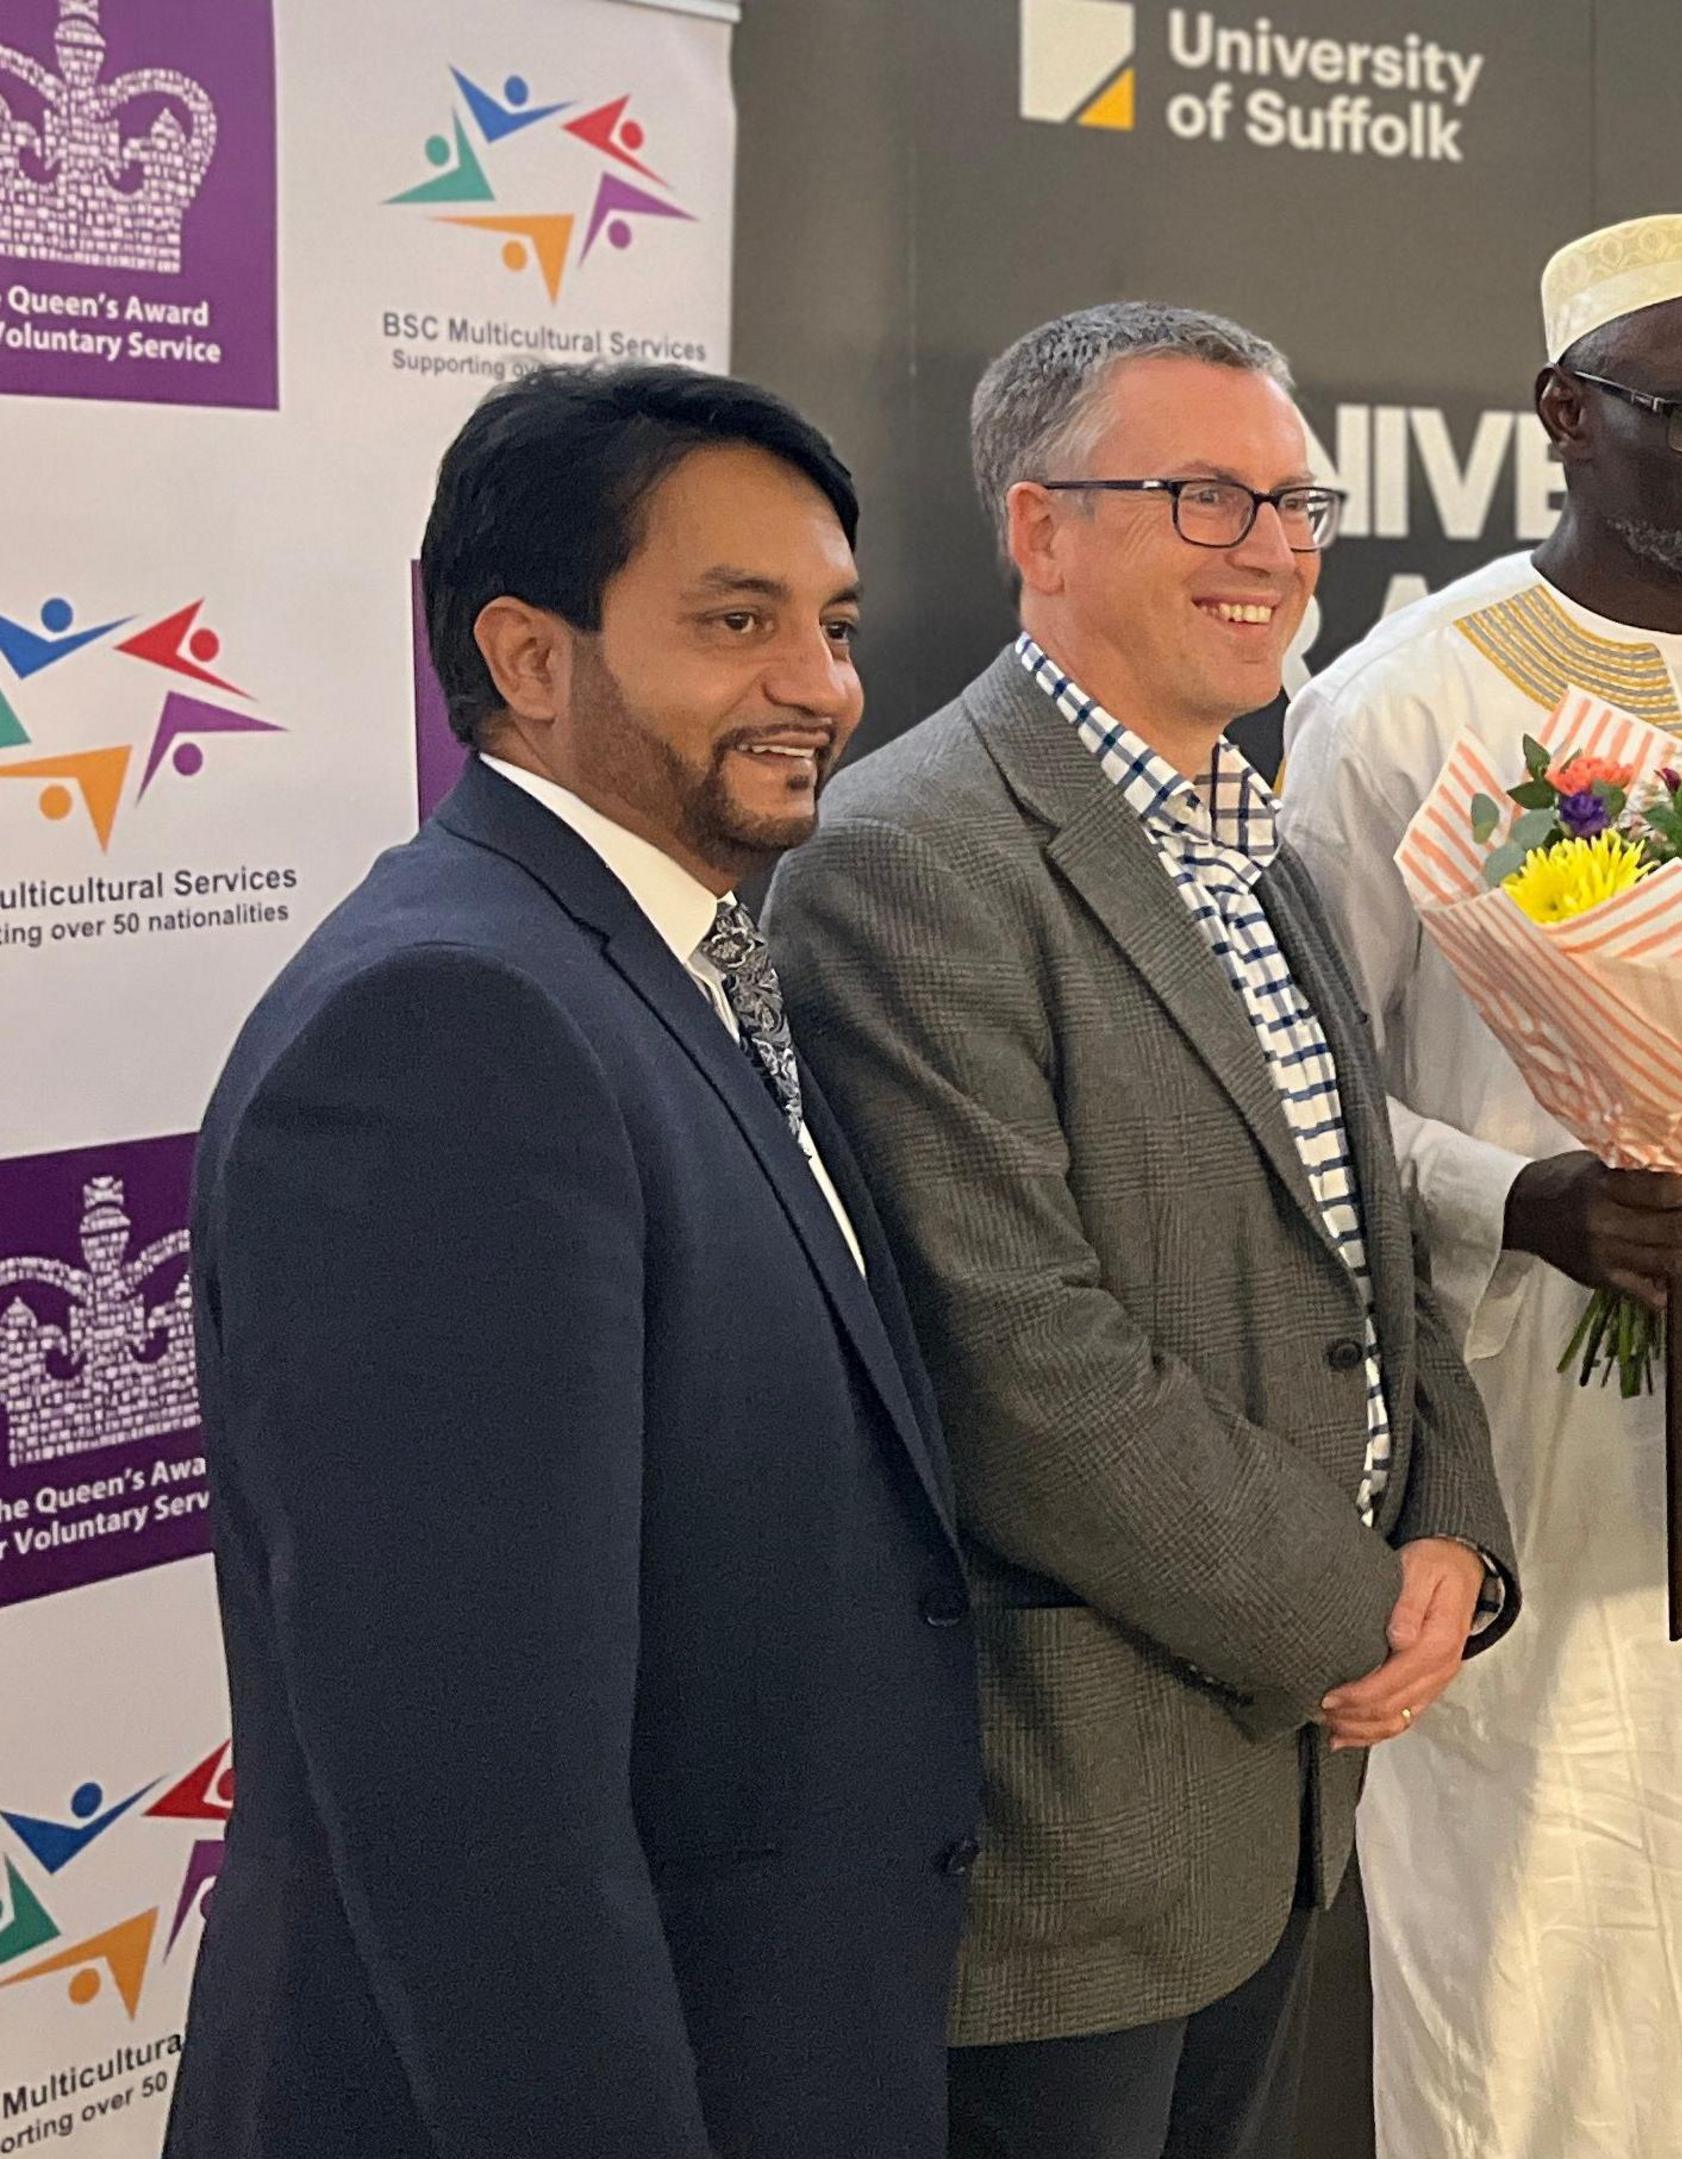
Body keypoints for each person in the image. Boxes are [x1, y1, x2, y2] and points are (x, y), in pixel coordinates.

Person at [166, 366, 976, 2159]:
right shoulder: (447, 1028)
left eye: (835, 625)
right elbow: (474, 1804)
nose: (822, 687)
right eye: (736, 622)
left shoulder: (662, 964)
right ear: (530, 659)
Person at [763, 303, 1518, 2159]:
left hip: (1278, 1806)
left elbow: (1369, 1237)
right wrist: (1360, 1608)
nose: (1272, 549)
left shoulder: (1242, 821)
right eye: (1204, 496)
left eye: (1292, 502)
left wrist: (1455, 1538)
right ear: (1041, 532)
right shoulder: (907, 856)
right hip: (1080, 1830)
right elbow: (1021, 1364)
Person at [1274, 213, 1682, 2158]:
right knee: (1536, 1925)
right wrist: (1521, 1201)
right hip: (1529, 1417)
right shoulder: (1398, 701)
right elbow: (1293, 1090)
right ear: (1562, 416)